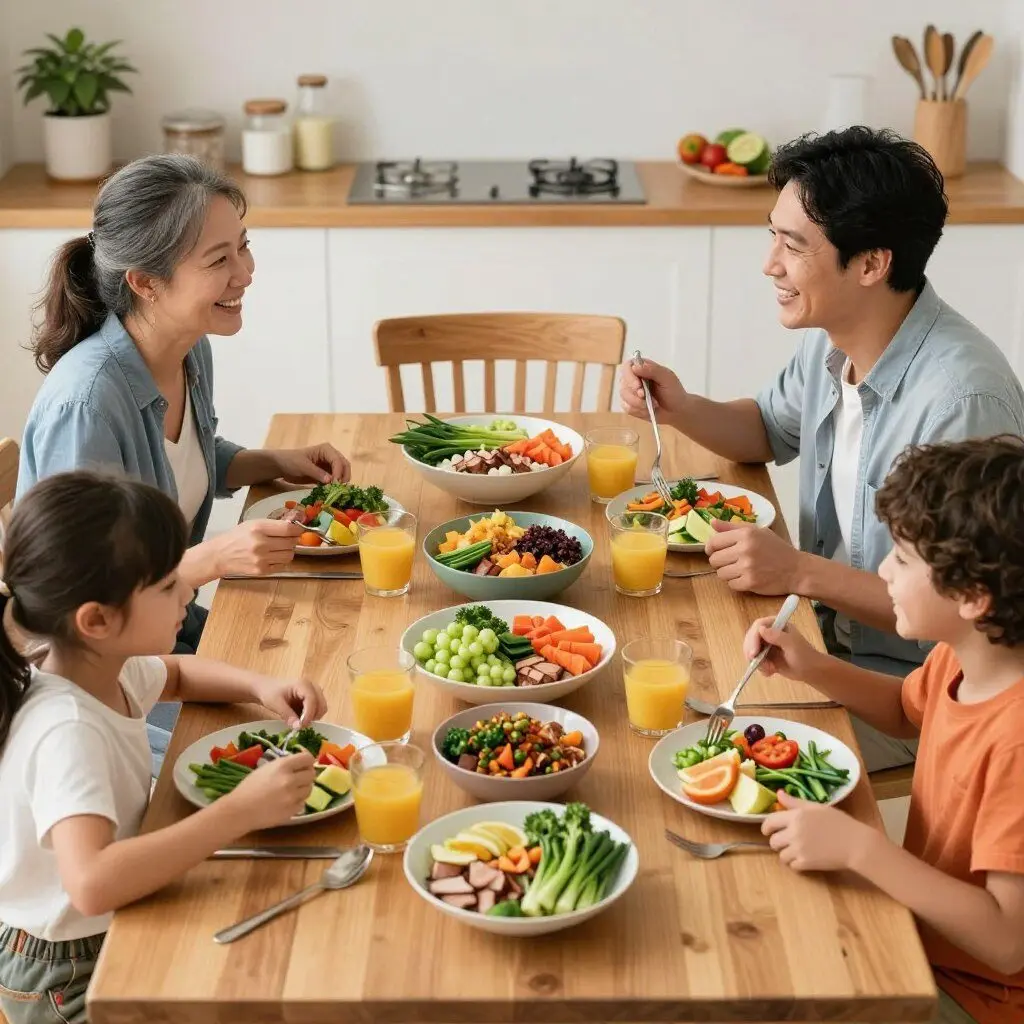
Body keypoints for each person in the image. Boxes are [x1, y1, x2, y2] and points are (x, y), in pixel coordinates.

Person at [619, 127, 1024, 772]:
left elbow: (969, 611)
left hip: (914, 694)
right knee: (641, 685)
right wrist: (681, 406)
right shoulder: (833, 335)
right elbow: (767, 428)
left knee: (678, 749)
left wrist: (799, 573)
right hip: (812, 635)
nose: (769, 263)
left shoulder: (962, 401)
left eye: (793, 244)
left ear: (870, 264)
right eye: (771, 234)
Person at [16, 154, 349, 765]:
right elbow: (84, 604)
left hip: (170, 640)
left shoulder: (187, 350)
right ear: (145, 282)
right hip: (98, 693)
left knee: (329, 676)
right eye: (219, 260)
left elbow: (179, 464)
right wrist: (214, 558)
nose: (245, 272)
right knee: (305, 743)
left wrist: (269, 460)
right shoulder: (87, 405)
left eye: (243, 248)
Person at [0, 471, 326, 1024]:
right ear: (98, 620)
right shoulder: (67, 729)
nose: (189, 590)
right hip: (70, 975)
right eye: (168, 584)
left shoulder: (101, 668)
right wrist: (240, 809)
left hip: (106, 925)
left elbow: (175, 675)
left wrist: (259, 687)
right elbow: (92, 882)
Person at [743, 436, 1024, 1024]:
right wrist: (811, 665)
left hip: (974, 997)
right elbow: (904, 710)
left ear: (971, 595)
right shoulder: (966, 656)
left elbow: (1005, 940)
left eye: (901, 557)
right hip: (918, 931)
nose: (881, 571)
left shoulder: (1016, 740)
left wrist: (859, 848)